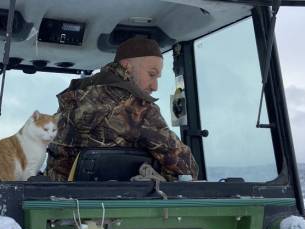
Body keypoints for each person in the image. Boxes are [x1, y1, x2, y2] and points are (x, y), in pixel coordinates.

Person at [46, 37, 198, 181]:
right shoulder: (138, 109)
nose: (155, 86)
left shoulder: (73, 98)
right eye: (151, 74)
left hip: (61, 201)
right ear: (127, 66)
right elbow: (186, 169)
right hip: (114, 203)